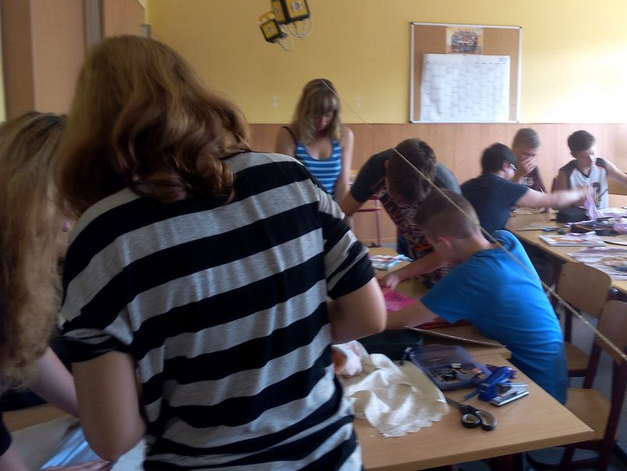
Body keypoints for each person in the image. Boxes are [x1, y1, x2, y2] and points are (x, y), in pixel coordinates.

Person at [56, 36, 386, 469]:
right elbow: (369, 317)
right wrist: (279, 335)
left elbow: (113, 436)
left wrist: (186, 370)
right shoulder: (290, 178)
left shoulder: (101, 237)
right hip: (330, 456)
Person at [384, 190, 567, 403]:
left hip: (535, 391)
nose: (435, 252)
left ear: (444, 243)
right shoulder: (506, 241)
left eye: (434, 245)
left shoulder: (472, 275)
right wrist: (401, 273)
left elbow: (397, 321)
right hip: (553, 375)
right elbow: (442, 255)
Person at [0, 113, 108, 471]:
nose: (67, 223)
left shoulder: (16, 265)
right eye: (63, 202)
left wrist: (96, 415)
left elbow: (25, 345)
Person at [339, 138, 460, 289]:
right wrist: (349, 257)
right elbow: (342, 213)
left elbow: (450, 250)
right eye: (397, 198)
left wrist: (399, 274)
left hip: (450, 268)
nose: (404, 208)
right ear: (387, 167)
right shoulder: (375, 169)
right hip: (416, 257)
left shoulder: (446, 190)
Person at [461, 143, 588, 234]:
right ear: (505, 166)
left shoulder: (467, 185)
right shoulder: (503, 187)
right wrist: (580, 192)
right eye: (513, 168)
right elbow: (556, 200)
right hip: (485, 251)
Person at [275, 79, 354, 202]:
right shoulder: (289, 134)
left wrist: (344, 214)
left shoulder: (344, 135)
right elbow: (285, 185)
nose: (322, 122)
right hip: (301, 209)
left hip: (331, 210)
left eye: (328, 115)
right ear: (304, 111)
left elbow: (342, 186)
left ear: (335, 113)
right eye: (315, 115)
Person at [554, 130, 627, 208]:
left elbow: (625, 180)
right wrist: (577, 200)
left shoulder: (603, 165)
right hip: (576, 220)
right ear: (574, 155)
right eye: (585, 157)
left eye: (593, 154)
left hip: (601, 217)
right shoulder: (566, 173)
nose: (591, 159)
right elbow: (559, 204)